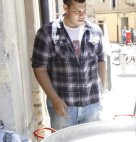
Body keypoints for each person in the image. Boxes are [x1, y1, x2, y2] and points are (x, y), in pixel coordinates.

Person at [32, 0, 105, 130]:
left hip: (92, 104)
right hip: (63, 105)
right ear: (65, 8)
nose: (82, 15)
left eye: (84, 11)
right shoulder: (47, 33)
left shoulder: (95, 31)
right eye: (77, 11)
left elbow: (101, 60)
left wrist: (101, 89)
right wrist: (54, 99)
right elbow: (39, 68)